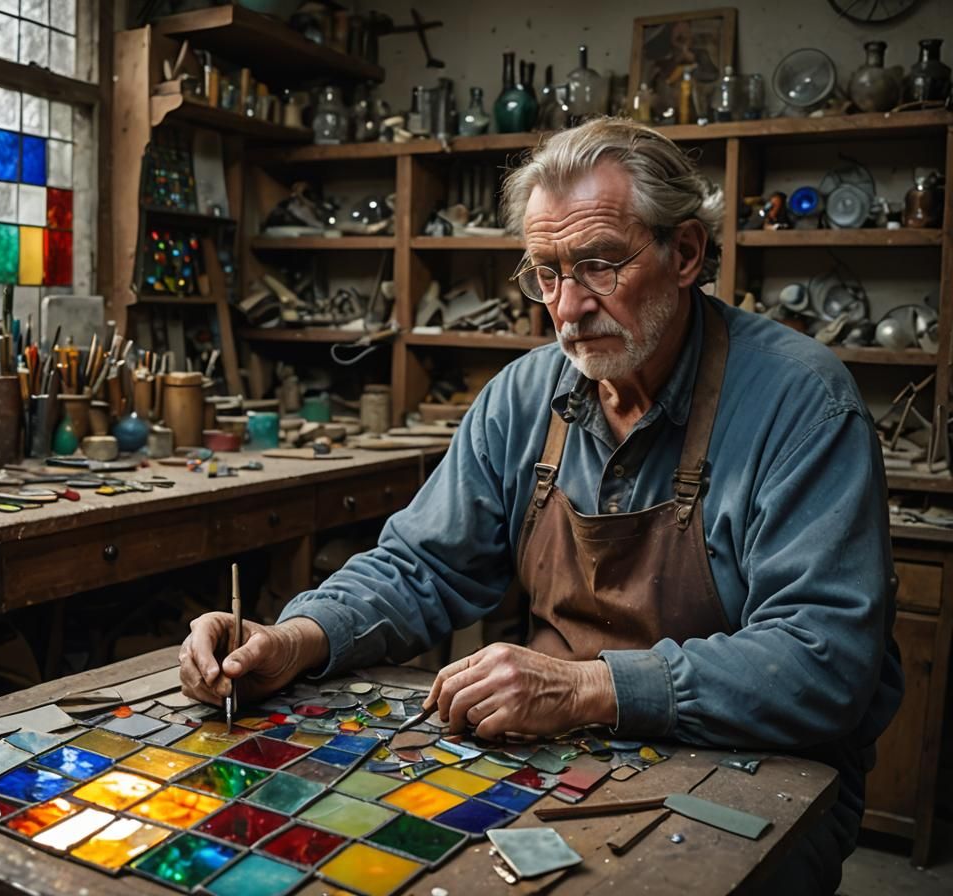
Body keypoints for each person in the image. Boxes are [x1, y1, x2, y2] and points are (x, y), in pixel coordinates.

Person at [179, 117, 902, 893]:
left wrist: (584, 686)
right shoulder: (524, 398)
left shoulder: (801, 402)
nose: (566, 307)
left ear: (685, 253)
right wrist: (296, 637)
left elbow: (823, 663)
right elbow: (421, 565)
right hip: (563, 750)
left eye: (597, 266)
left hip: (757, 769)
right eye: (545, 273)